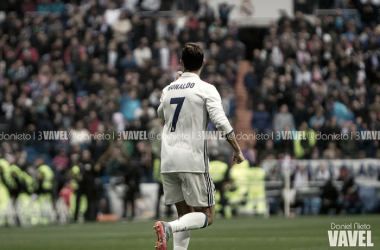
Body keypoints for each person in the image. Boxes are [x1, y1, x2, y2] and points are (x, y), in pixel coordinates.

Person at [153, 43, 245, 250]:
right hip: (192, 159)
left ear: (181, 63)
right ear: (203, 63)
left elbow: (161, 113)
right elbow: (221, 122)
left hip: (168, 161)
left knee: (184, 216)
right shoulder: (206, 89)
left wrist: (174, 83)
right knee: (207, 217)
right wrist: (237, 149)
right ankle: (167, 228)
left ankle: (172, 231)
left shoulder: (168, 89)